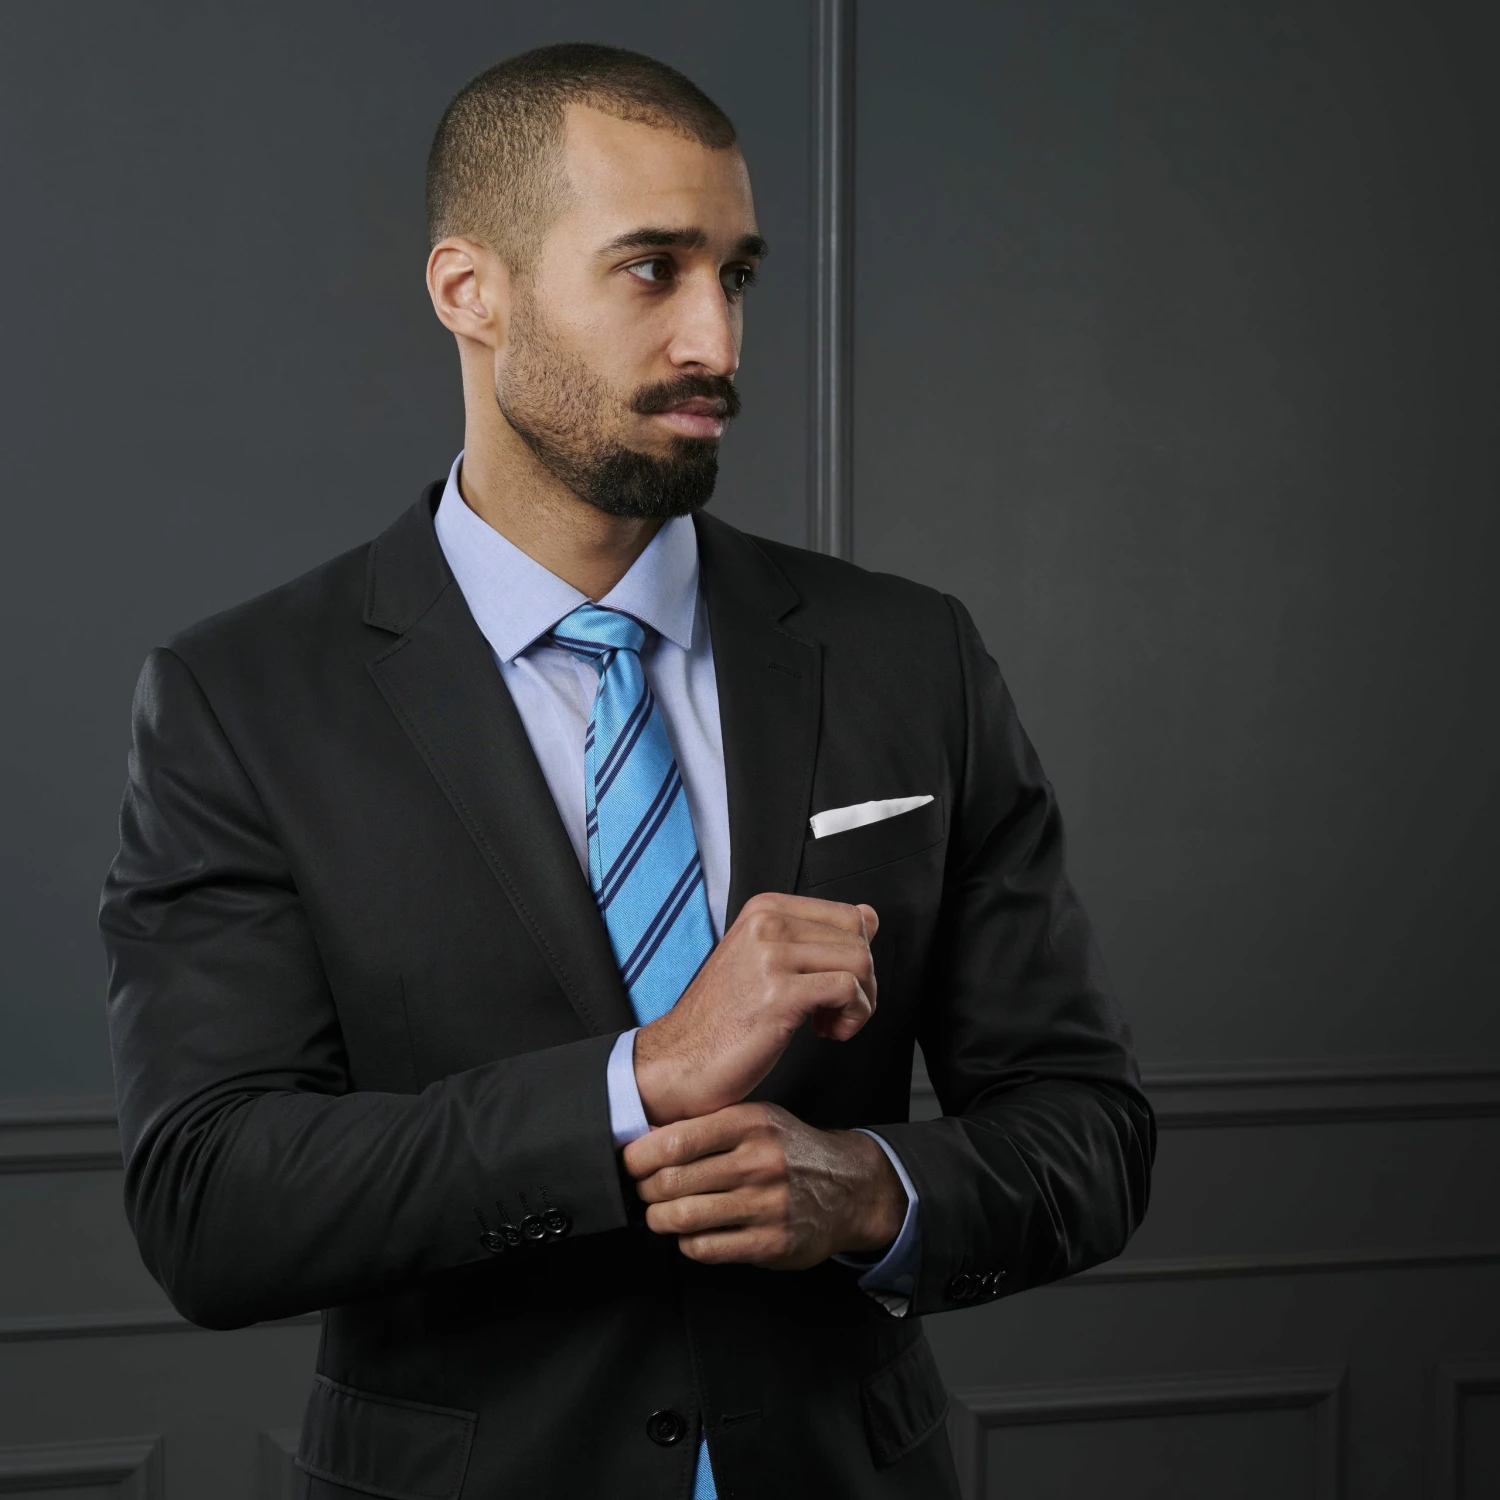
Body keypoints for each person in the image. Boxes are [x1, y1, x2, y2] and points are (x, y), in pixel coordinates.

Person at [99, 42, 1153, 1499]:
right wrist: (637, 1080)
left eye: (739, 275)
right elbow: (209, 1207)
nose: (716, 339)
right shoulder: (243, 700)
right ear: (470, 289)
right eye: (653, 269)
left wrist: (873, 1193)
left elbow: (1090, 1131)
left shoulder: (911, 656)